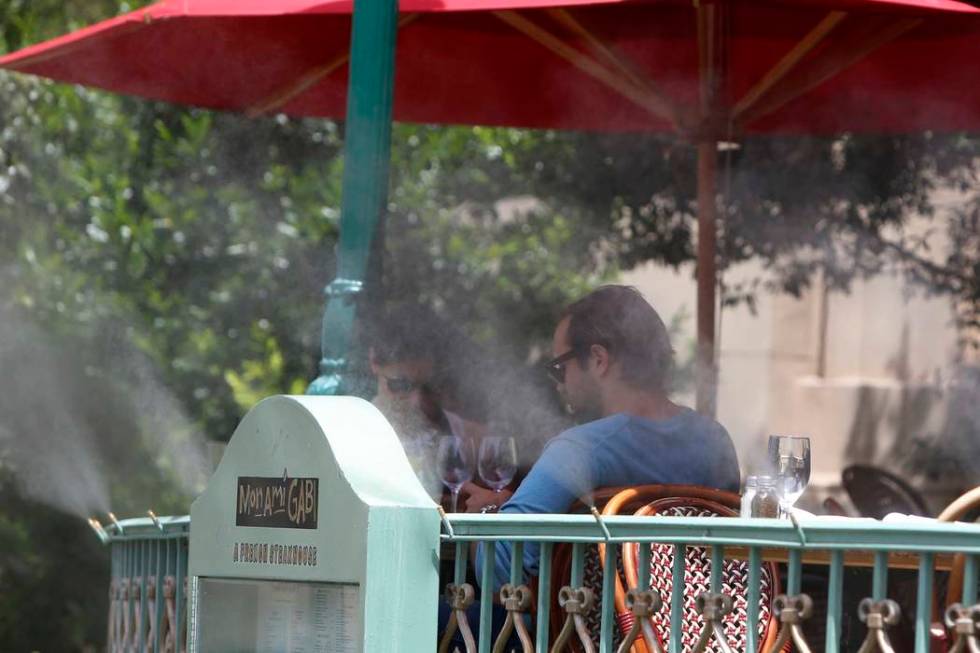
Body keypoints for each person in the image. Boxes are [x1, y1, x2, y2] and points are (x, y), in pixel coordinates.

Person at [463, 285, 740, 590]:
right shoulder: (715, 441)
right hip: (691, 630)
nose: (559, 383)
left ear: (598, 359)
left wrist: (485, 513)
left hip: (581, 634)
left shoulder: (580, 450)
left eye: (560, 367)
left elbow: (502, 576)